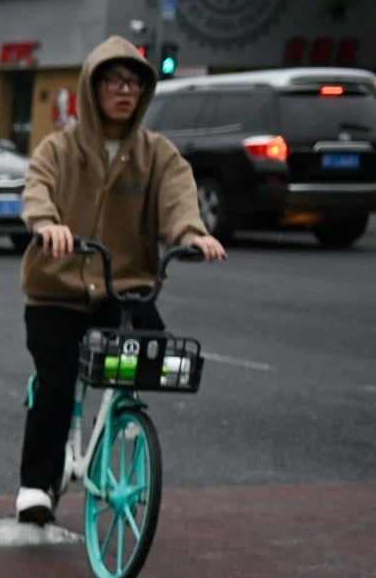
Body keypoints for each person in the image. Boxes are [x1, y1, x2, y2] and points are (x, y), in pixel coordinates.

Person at [15, 36, 226, 525]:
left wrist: (192, 235)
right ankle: (36, 483)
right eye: (112, 81)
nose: (124, 90)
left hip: (122, 289)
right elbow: (37, 191)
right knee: (56, 382)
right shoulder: (58, 149)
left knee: (148, 355)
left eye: (133, 82)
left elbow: (179, 202)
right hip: (56, 290)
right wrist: (47, 225)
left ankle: (119, 421)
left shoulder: (159, 155)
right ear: (92, 88)